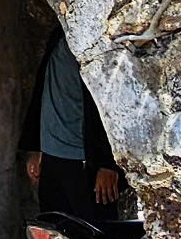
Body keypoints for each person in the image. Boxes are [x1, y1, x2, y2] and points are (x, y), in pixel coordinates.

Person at [19, 29, 121, 223]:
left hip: (85, 163)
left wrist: (108, 164)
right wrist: (35, 148)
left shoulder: (99, 41)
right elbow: (43, 89)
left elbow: (112, 103)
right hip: (51, 160)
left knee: (96, 238)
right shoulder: (57, 37)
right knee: (55, 235)